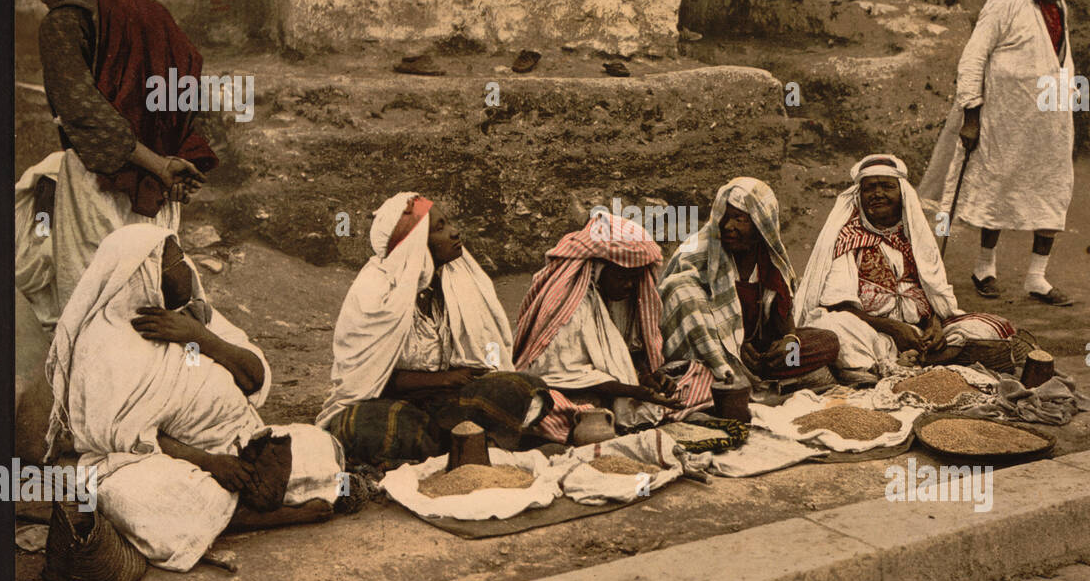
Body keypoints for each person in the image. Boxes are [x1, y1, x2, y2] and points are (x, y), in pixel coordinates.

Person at [44, 225, 344, 572]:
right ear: (143, 270)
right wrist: (209, 463)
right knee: (143, 496)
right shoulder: (103, 346)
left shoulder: (194, 315)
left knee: (319, 447)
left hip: (233, 444)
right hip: (160, 462)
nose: (185, 269)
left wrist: (199, 337)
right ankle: (257, 514)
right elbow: (127, 441)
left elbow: (254, 376)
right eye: (174, 261)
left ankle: (239, 496)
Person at [14, 0, 216, 329]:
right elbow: (186, 78)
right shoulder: (147, 9)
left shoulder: (64, 22)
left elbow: (83, 111)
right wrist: (171, 155)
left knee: (97, 303)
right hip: (156, 190)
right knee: (149, 299)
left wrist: (159, 165)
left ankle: (98, 388)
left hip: (98, 187)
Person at [317, 193, 556, 465]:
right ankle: (462, 444)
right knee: (359, 425)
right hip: (395, 403)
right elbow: (364, 379)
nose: (455, 233)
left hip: (448, 401)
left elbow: (485, 355)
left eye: (448, 223)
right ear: (415, 245)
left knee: (526, 389)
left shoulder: (455, 282)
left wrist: (470, 376)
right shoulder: (375, 294)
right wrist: (441, 379)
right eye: (440, 228)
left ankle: (446, 445)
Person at [918, 0, 1090, 306]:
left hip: (1049, 119)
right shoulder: (1006, 0)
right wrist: (970, 114)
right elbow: (973, 57)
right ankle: (984, 268)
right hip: (1004, 117)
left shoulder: (1058, 3)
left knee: (1052, 189)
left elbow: (1060, 56)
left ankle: (1036, 277)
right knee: (996, 186)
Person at [795, 155, 1017, 381]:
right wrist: (894, 329)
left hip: (917, 333)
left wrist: (935, 325)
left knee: (989, 327)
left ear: (902, 194)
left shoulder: (915, 238)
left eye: (887, 187)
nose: (878, 194)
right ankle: (893, 364)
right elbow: (840, 305)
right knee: (830, 327)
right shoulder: (848, 239)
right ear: (859, 196)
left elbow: (934, 293)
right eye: (869, 188)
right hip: (869, 331)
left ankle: (911, 360)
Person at [513, 212, 714, 435]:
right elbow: (562, 375)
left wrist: (648, 377)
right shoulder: (571, 305)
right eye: (621, 277)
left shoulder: (627, 298)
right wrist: (635, 392)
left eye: (635, 278)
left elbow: (628, 354)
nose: (629, 285)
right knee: (546, 410)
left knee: (702, 375)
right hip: (573, 392)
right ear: (598, 269)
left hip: (624, 390)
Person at [659, 178, 838, 390]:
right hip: (713, 352)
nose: (728, 227)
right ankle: (755, 383)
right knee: (682, 288)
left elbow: (784, 317)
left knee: (828, 341)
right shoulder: (698, 253)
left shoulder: (769, 260)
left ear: (760, 223)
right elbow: (683, 306)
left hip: (757, 357)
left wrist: (790, 341)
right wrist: (732, 345)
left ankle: (769, 376)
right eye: (724, 218)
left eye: (738, 219)